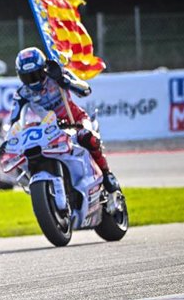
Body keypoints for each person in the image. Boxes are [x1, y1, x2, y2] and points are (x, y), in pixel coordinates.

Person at [9, 47, 120, 192]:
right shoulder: (22, 93)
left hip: (75, 120)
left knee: (88, 137)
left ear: (43, 69)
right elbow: (14, 119)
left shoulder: (57, 74)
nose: (33, 81)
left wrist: (64, 80)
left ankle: (106, 174)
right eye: (28, 77)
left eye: (36, 74)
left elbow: (85, 90)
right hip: (50, 129)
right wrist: (13, 137)